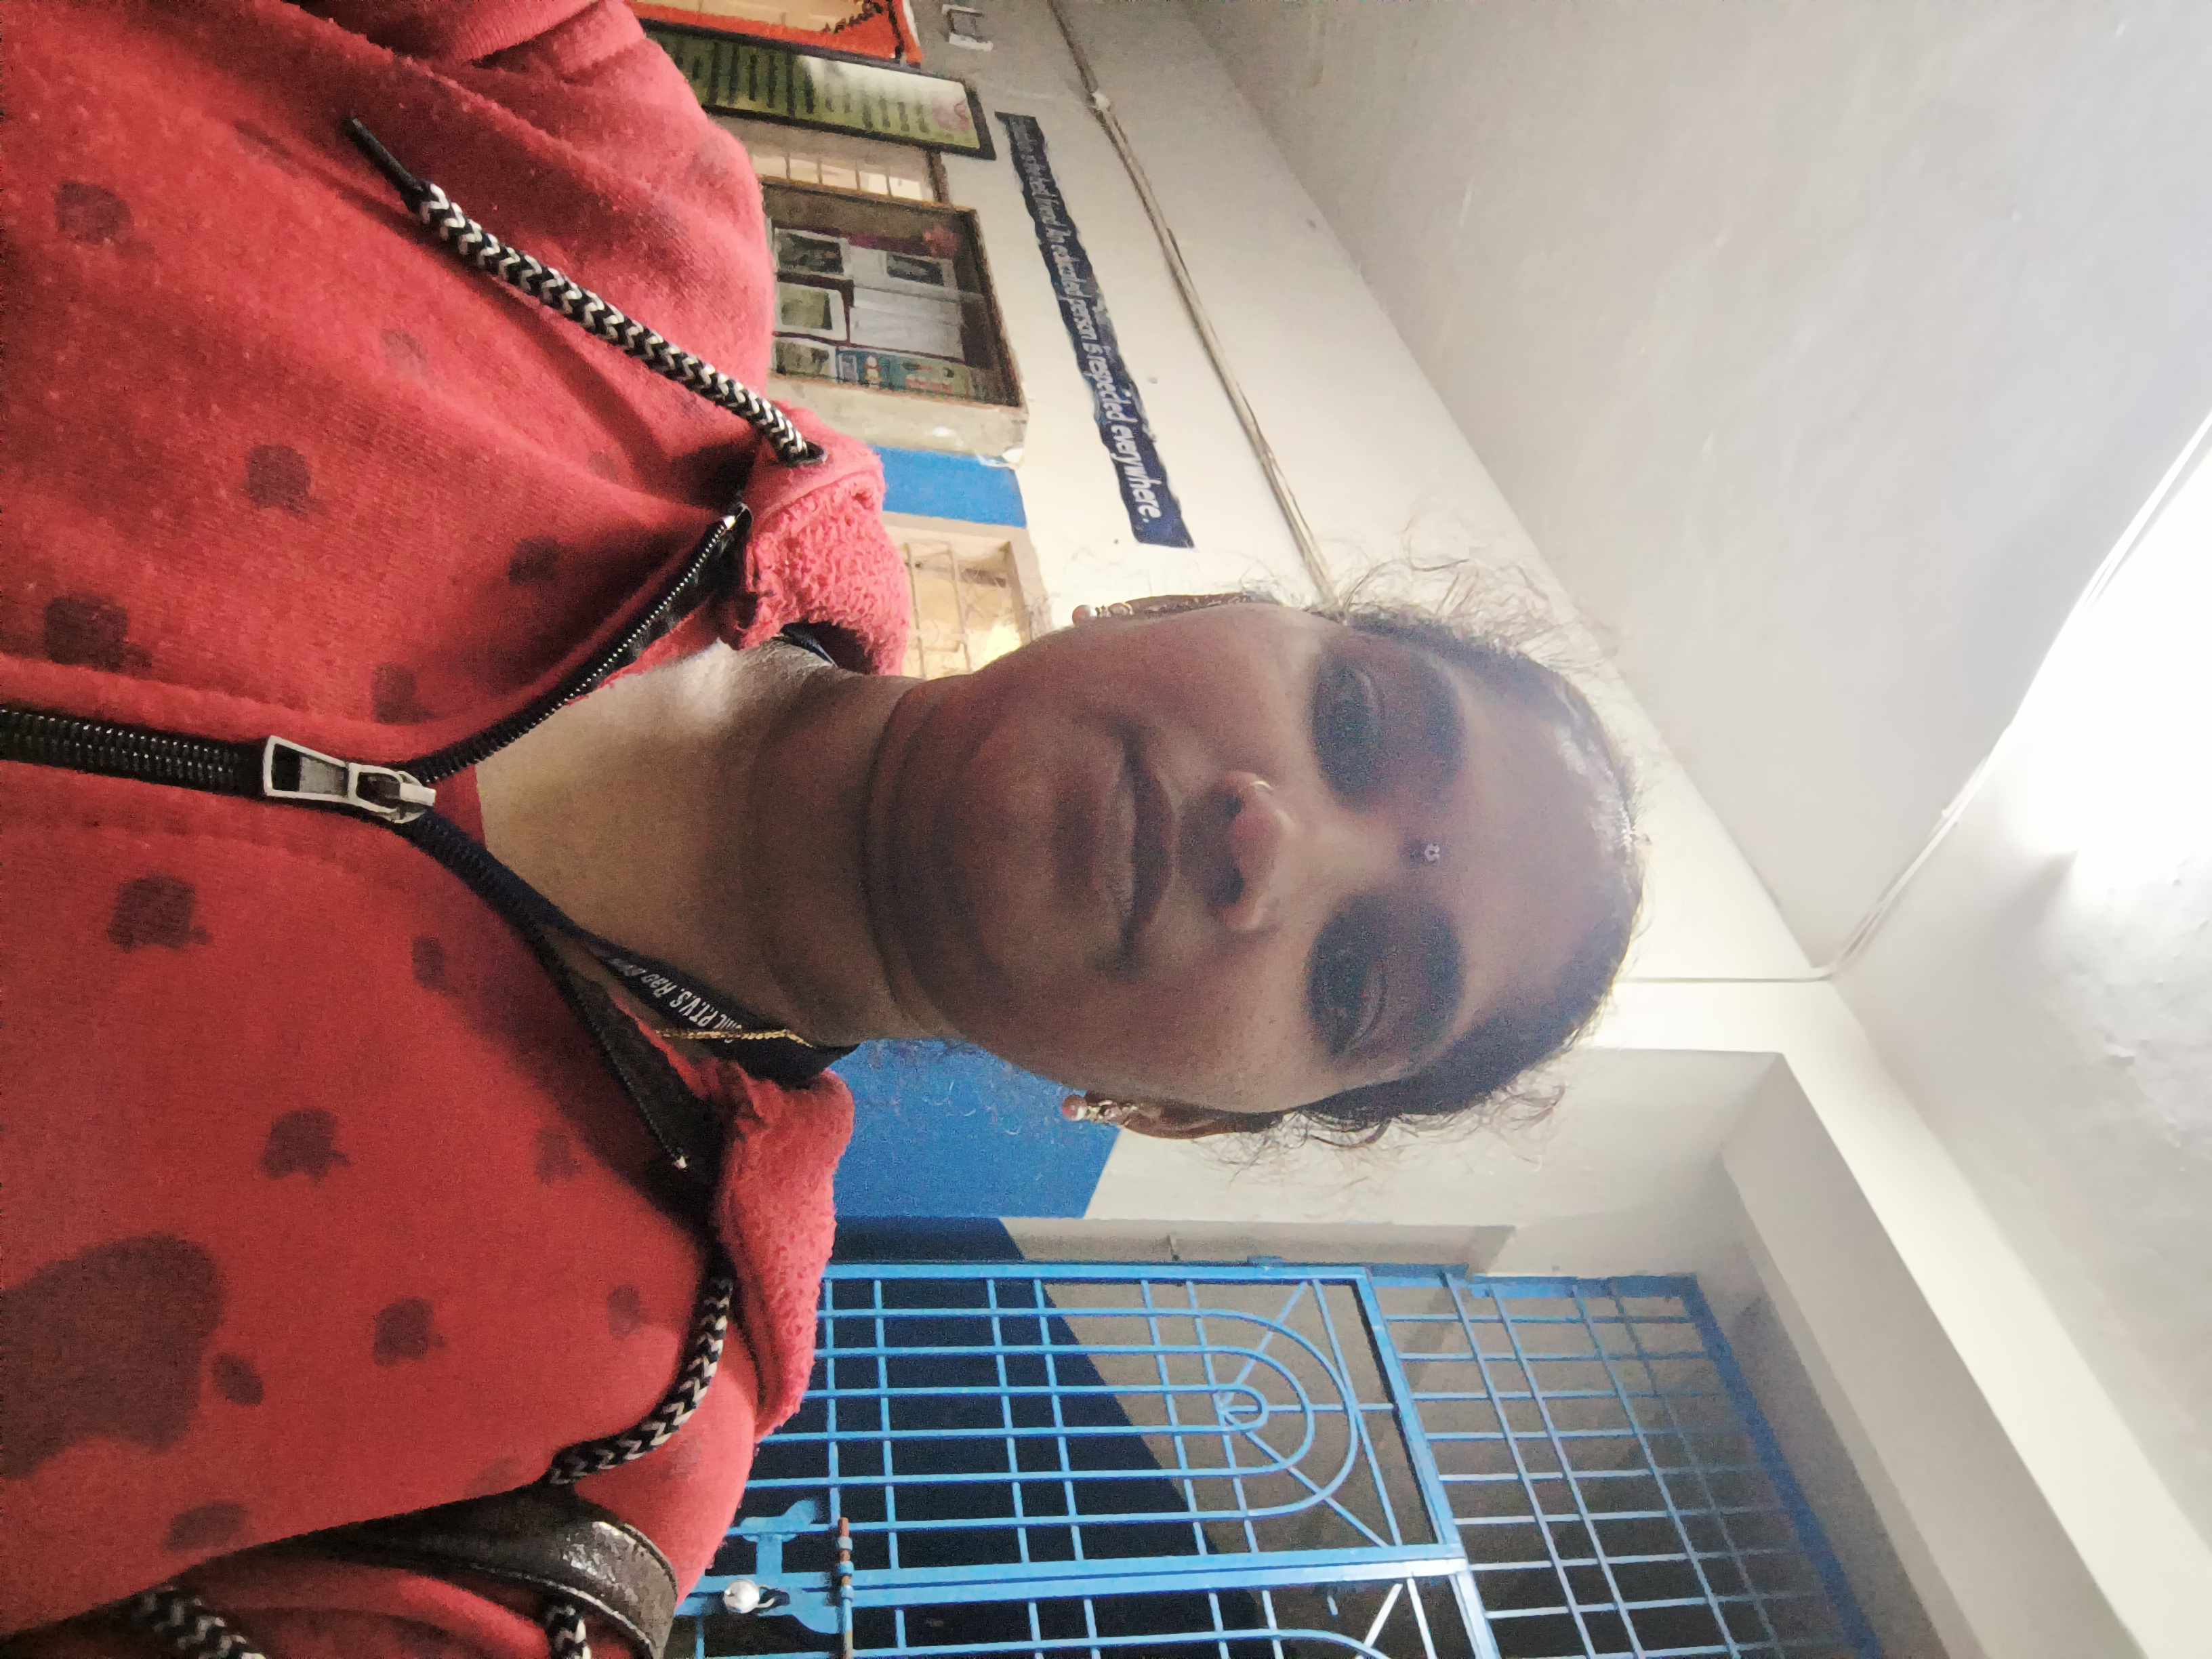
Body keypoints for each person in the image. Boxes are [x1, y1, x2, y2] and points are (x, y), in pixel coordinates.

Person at [0, 3, 1639, 1656]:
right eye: (1355, 723)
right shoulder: (597, 190)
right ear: (1190, 603)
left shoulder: (590, 1457)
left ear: (1178, 1116)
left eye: (1357, 979)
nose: (1271, 846)